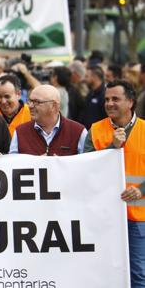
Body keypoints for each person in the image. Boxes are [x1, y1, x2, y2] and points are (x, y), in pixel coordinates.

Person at [83, 80, 145, 286]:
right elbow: (86, 169)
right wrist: (112, 147)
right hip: (104, 216)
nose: (109, 103)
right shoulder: (95, 130)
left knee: (138, 274)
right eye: (107, 99)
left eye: (115, 99)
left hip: (138, 217)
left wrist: (141, 190)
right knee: (104, 273)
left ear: (130, 102)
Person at [9, 85, 86, 155]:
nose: (30, 106)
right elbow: (12, 164)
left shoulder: (78, 132)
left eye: (37, 102)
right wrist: (36, 164)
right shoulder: (20, 132)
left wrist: (62, 164)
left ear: (54, 105)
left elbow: (87, 165)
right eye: (30, 101)